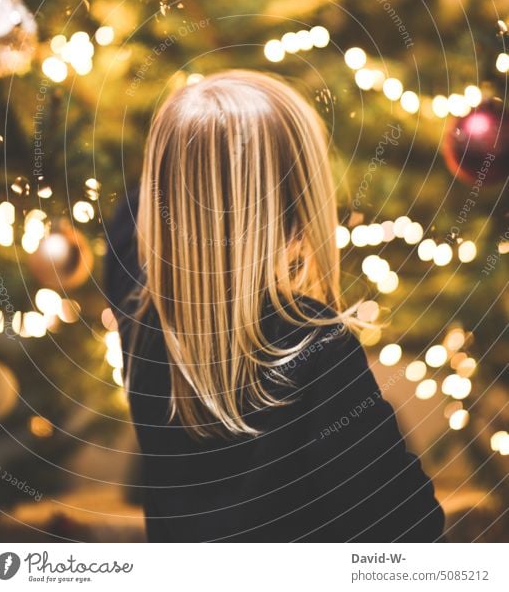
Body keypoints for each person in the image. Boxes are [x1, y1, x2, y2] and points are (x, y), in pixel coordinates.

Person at [104, 70, 445, 542]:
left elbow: (133, 216)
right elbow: (406, 526)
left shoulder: (136, 311)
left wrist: (185, 153)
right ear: (294, 216)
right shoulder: (315, 341)